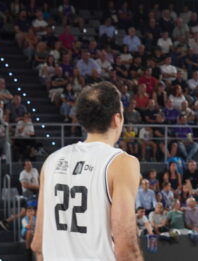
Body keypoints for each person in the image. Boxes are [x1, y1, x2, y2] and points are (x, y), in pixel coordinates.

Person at [31, 82, 143, 261]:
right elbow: (125, 247)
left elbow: (38, 244)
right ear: (116, 119)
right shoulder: (121, 163)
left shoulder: (52, 161)